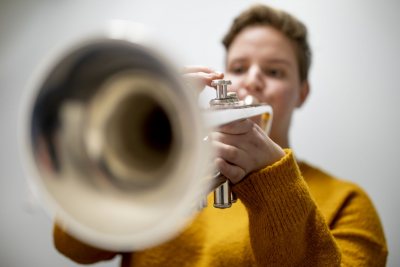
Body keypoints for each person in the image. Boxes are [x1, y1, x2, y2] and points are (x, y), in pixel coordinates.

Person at [53, 4, 388, 266]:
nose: (252, 80)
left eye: (274, 71)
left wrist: (272, 180)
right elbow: (73, 246)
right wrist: (148, 143)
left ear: (302, 92)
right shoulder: (165, 175)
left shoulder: (347, 202)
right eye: (239, 68)